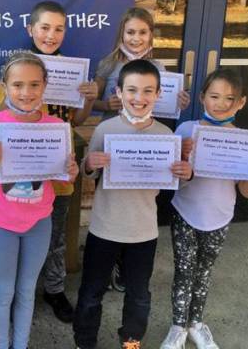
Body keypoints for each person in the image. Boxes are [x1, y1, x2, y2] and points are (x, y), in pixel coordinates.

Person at [73, 59, 192, 349]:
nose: (139, 98)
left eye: (147, 91)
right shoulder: (106, 130)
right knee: (91, 291)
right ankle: (84, 341)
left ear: (158, 94)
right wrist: (88, 163)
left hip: (143, 231)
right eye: (132, 90)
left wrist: (187, 173)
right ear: (119, 91)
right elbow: (89, 172)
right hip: (104, 227)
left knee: (139, 294)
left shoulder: (167, 136)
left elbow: (177, 180)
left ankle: (131, 340)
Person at [0, 0, 98, 323]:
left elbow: (77, 119)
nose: (51, 35)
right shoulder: (18, 69)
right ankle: (16, 293)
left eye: (58, 29)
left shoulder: (73, 69)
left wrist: (90, 97)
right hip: (21, 169)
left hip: (58, 170)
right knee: (20, 231)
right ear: (30, 30)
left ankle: (53, 289)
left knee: (55, 235)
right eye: (44, 27)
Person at [159, 68, 248, 349]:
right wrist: (182, 158)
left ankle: (196, 324)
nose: (221, 103)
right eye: (214, 96)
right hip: (185, 213)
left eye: (230, 98)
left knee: (204, 273)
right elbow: (170, 182)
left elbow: (247, 192)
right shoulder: (186, 130)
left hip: (220, 217)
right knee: (184, 270)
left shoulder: (247, 141)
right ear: (202, 97)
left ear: (241, 103)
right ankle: (178, 326)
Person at [0, 52, 79, 349]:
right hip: (0, 224)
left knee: (26, 290)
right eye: (18, 84)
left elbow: (61, 180)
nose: (26, 92)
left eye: (34, 84)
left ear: (45, 86)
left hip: (38, 223)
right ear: (5, 86)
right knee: (4, 291)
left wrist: (69, 172)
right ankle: (0, 345)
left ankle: (20, 344)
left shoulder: (56, 127)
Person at [92, 6, 191, 293]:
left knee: (141, 203)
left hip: (146, 148)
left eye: (142, 32)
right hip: (111, 147)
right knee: (112, 204)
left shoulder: (159, 69)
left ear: (151, 36)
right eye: (130, 32)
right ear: (121, 33)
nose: (136, 38)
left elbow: (163, 108)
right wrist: (104, 104)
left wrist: (178, 104)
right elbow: (92, 102)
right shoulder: (108, 65)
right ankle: (109, 258)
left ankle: (127, 261)